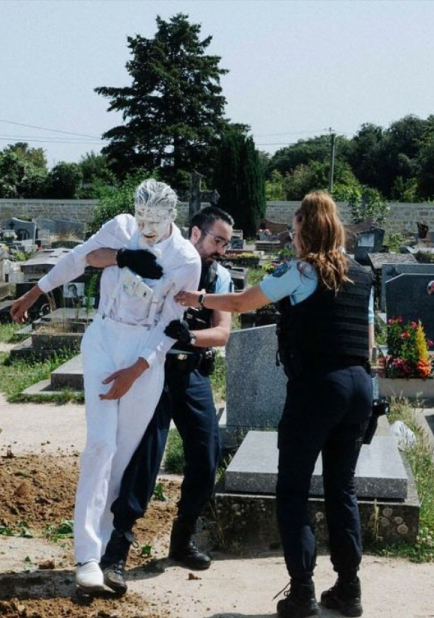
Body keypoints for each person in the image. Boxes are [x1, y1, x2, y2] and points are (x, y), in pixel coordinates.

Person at [176, 192, 374, 618]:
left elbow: (245, 302)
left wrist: (198, 299)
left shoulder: (300, 272)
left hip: (318, 387)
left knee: (293, 490)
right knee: (342, 489)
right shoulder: (363, 274)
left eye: (296, 230)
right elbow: (369, 342)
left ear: (308, 230)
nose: (293, 237)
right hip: (360, 387)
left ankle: (301, 592)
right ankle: (349, 589)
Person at [10, 180, 201, 595]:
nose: (146, 229)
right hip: (104, 339)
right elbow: (81, 258)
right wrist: (36, 292)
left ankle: (102, 548)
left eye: (155, 223)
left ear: (172, 217)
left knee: (123, 454)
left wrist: (139, 367)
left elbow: (172, 324)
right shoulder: (122, 227)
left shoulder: (186, 258)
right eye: (142, 219)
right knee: (100, 444)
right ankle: (86, 556)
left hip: (144, 355)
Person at [81, 206, 235, 589]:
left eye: (227, 243)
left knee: (206, 453)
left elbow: (222, 333)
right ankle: (115, 554)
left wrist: (190, 337)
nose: (222, 250)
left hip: (192, 372)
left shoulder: (221, 277)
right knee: (145, 460)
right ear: (195, 234)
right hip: (154, 372)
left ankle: (182, 540)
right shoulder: (163, 261)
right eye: (218, 241)